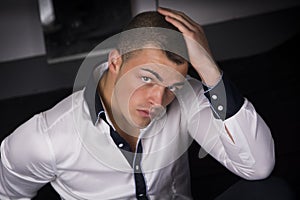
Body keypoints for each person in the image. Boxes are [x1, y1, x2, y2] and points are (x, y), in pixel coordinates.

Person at [0, 7, 276, 199]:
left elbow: (257, 166)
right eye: (146, 78)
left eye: (173, 86)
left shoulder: (183, 97)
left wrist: (209, 69)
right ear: (115, 61)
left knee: (271, 192)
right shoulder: (44, 138)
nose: (158, 100)